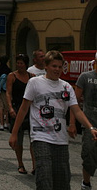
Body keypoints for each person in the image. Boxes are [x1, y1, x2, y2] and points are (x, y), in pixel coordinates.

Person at [9, 50, 97, 190]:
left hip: (60, 140)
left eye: (60, 67)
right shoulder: (35, 83)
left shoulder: (66, 87)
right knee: (44, 178)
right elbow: (24, 109)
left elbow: (77, 110)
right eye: (54, 66)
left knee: (62, 182)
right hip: (40, 137)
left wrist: (90, 127)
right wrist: (14, 133)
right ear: (46, 66)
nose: (57, 69)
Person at [69, 54, 97, 190]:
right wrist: (72, 123)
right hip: (89, 124)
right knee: (89, 154)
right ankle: (86, 183)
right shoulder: (85, 77)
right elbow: (74, 101)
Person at [6, 53, 35, 175]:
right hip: (17, 108)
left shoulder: (32, 77)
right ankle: (20, 163)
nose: (19, 65)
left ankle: (35, 165)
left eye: (21, 63)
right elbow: (8, 93)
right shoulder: (12, 76)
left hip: (30, 109)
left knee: (33, 139)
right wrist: (10, 108)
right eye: (18, 63)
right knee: (19, 139)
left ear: (26, 64)